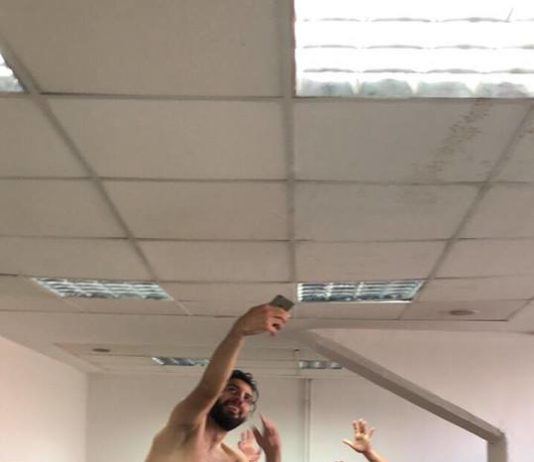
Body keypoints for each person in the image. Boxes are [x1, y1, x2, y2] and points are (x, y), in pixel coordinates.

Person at [145, 302, 289, 462]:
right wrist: (238, 333)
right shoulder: (183, 430)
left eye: (247, 398)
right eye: (232, 390)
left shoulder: (234, 458)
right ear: (218, 392)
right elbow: (208, 389)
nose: (240, 399)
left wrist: (273, 453)